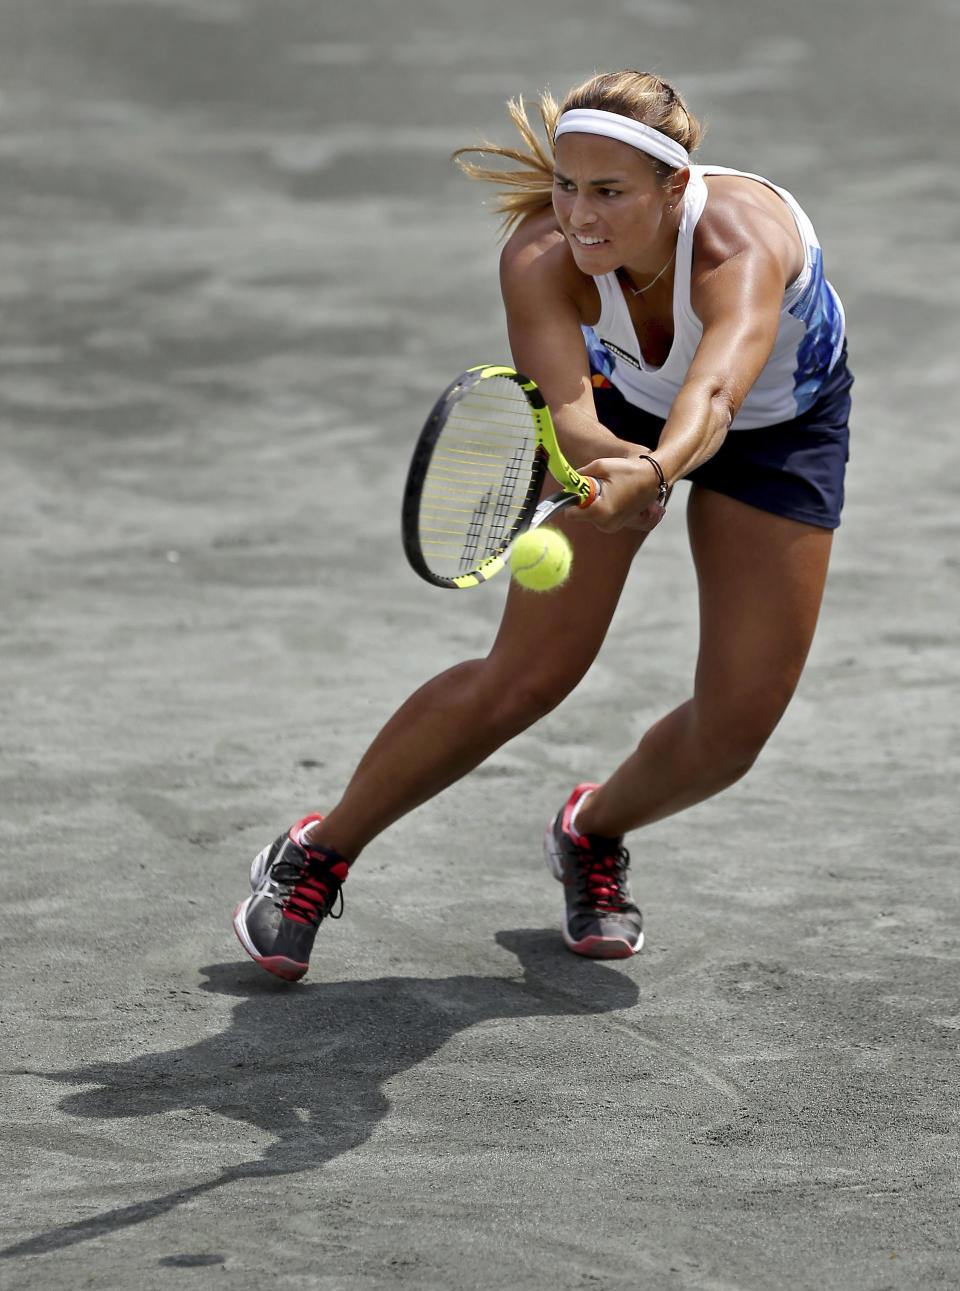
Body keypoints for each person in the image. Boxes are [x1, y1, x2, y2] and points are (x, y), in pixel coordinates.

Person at [232, 70, 852, 981]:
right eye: (568, 186)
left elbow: (716, 393)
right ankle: (315, 853)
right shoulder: (538, 258)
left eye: (609, 193)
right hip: (623, 413)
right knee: (524, 678)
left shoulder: (739, 244)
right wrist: (616, 463)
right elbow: (565, 408)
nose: (580, 216)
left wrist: (654, 471)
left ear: (674, 188)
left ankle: (591, 829)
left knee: (734, 730)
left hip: (779, 428)